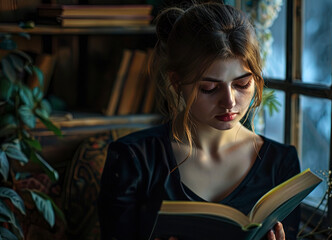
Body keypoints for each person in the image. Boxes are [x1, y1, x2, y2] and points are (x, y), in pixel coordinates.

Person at [98, 2, 300, 240]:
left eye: (242, 84)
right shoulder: (133, 160)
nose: (229, 102)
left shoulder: (281, 164)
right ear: (176, 83)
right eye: (209, 88)